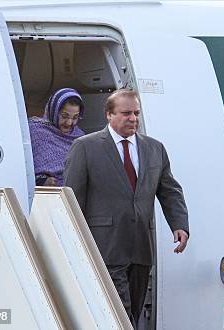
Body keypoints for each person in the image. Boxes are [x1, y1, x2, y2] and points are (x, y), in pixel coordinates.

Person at [63, 89, 189, 326]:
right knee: (119, 312)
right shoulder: (86, 147)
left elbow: (169, 190)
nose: (133, 118)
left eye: (136, 113)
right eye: (126, 113)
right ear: (109, 114)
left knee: (132, 312)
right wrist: (74, 243)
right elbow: (72, 198)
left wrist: (180, 225)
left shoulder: (155, 148)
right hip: (105, 246)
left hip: (141, 247)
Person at [28, 88, 85, 186]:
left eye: (75, 117)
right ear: (54, 111)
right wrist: (42, 182)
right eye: (64, 116)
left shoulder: (81, 137)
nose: (69, 122)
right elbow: (23, 169)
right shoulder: (34, 130)